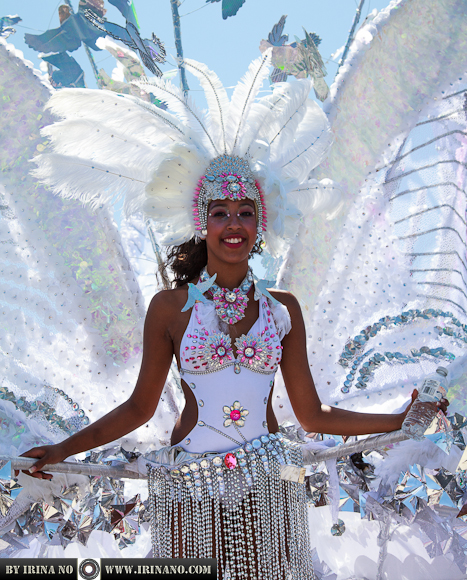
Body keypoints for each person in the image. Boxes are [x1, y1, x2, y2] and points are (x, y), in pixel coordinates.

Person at [23, 54, 448, 579]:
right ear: (201, 224)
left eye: (245, 212)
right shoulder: (170, 308)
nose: (233, 224)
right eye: (220, 212)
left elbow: (313, 416)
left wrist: (397, 422)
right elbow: (138, 406)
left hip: (269, 479)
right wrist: (66, 447)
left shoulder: (283, 310)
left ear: (261, 223)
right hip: (189, 486)